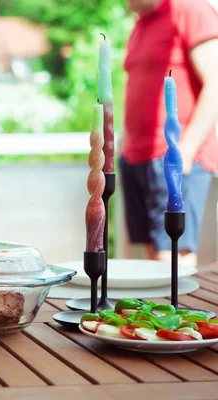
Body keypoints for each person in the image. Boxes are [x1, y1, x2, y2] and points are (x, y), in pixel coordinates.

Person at [121, 0, 218, 266]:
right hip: (137, 156)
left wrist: (185, 150)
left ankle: (178, 308)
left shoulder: (189, 9)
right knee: (152, 256)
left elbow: (216, 83)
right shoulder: (141, 23)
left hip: (175, 157)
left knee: (173, 254)